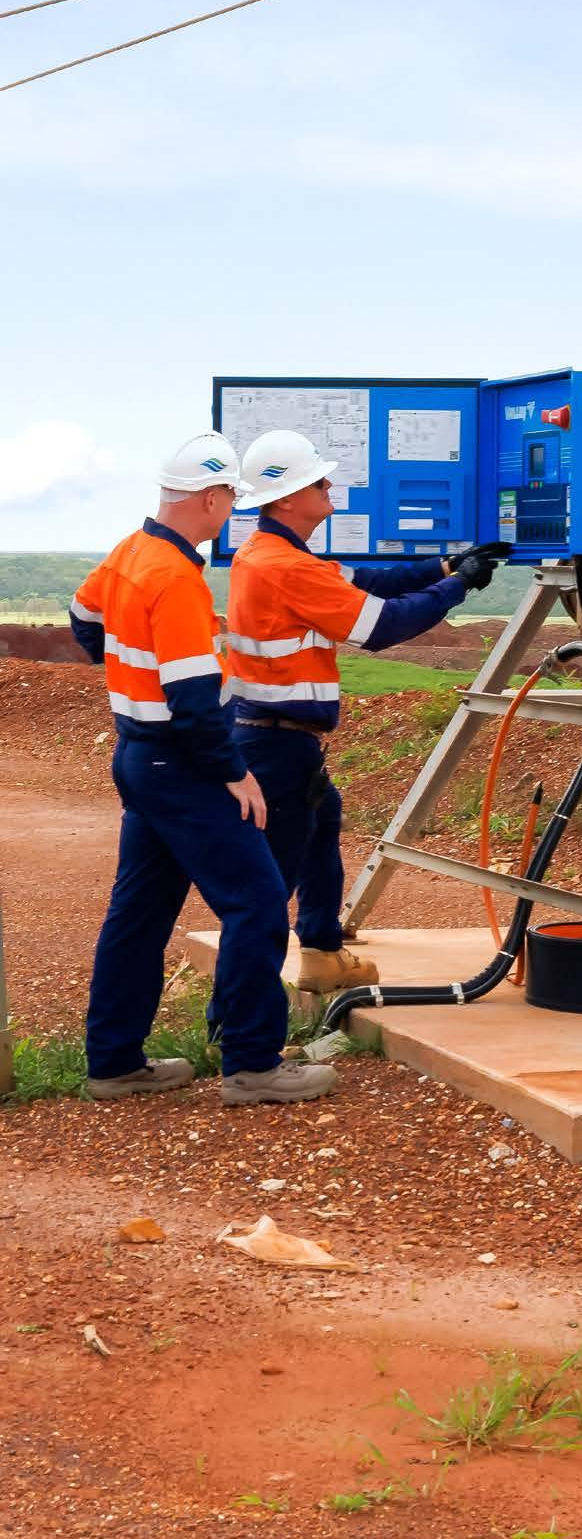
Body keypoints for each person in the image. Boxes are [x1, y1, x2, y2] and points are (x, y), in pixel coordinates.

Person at [69, 434, 339, 1106]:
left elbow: (83, 618)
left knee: (139, 910)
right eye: (228, 501)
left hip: (138, 756)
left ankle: (114, 1061)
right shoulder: (176, 578)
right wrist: (234, 772)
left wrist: (128, 679)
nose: (230, 514)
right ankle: (253, 1064)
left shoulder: (129, 555)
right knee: (256, 901)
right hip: (181, 763)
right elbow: (193, 698)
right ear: (210, 498)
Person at [224, 429, 505, 991]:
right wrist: (458, 588)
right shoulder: (285, 567)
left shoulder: (275, 554)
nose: (329, 486)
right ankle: (241, 1022)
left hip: (276, 738)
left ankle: (322, 951)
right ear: (287, 499)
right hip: (275, 744)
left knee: (322, 822)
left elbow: (369, 580)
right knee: (266, 891)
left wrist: (446, 566)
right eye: (317, 482)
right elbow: (382, 625)